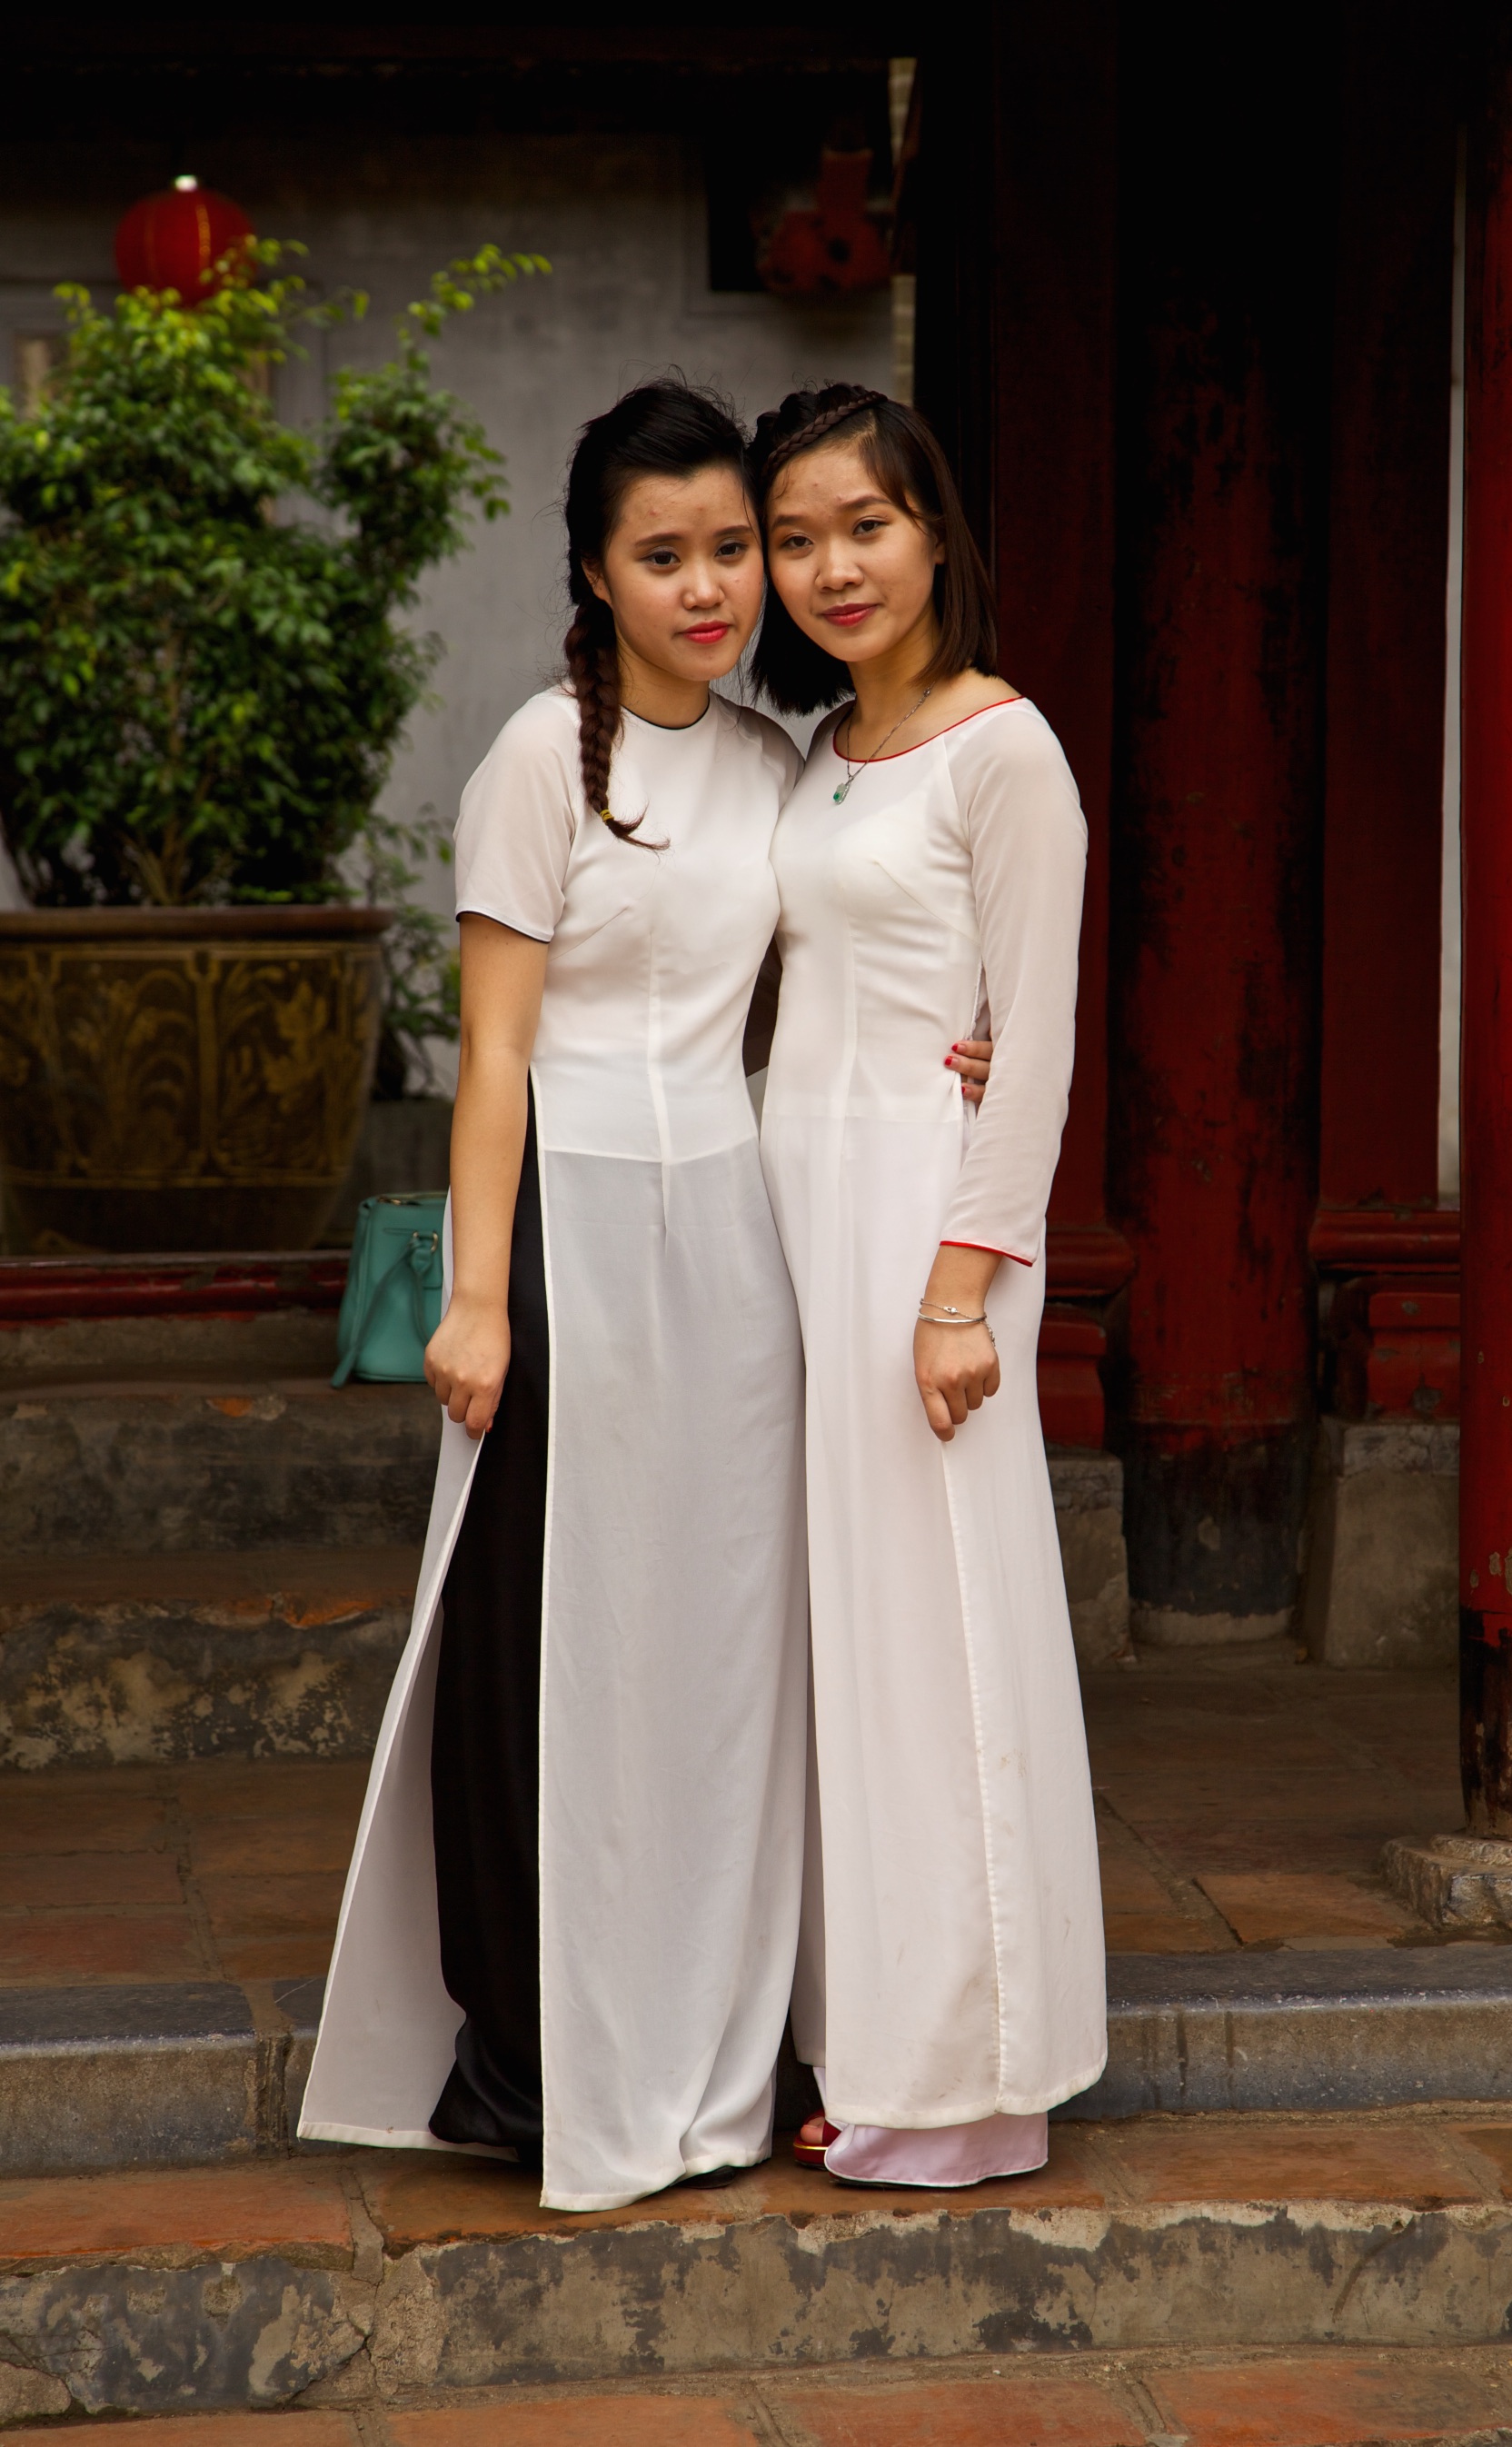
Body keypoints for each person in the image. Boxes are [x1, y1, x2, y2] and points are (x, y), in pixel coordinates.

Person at [300, 381, 994, 2212]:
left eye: (727, 553)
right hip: (569, 1227)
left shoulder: (778, 766)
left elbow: (852, 965)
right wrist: (475, 1297)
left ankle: (719, 2038)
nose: (711, 591)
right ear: (595, 575)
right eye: (663, 556)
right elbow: (493, 1054)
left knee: (722, 1643)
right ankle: (544, 2051)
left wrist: (970, 1050)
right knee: (555, 1637)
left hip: (744, 1240)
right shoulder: (545, 758)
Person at [751, 383, 1106, 2187]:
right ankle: (864, 2039)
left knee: (946, 1642)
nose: (831, 568)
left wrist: (963, 1286)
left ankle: (973, 2072)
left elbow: (1030, 1044)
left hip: (927, 1236)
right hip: (806, 1224)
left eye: (862, 527)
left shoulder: (1002, 748)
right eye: (796, 537)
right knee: (848, 1655)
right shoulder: (817, 757)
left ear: (935, 532)